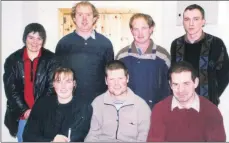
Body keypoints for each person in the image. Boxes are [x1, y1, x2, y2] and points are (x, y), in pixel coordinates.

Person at [3, 23, 59, 142]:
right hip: (22, 116)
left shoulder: (52, 59)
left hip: (45, 116)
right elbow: (11, 90)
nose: (35, 42)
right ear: (25, 38)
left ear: (43, 40)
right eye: (31, 37)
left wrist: (37, 110)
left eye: (39, 38)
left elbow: (52, 88)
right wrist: (25, 110)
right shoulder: (12, 60)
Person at [147, 61, 226, 142]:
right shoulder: (160, 109)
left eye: (186, 84)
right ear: (170, 85)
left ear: (196, 83)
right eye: (175, 84)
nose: (181, 90)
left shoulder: (211, 111)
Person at [55, 1, 114, 104]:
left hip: (99, 103)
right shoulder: (63, 44)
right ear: (74, 18)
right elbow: (57, 75)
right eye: (80, 14)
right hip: (71, 103)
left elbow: (110, 75)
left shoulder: (105, 44)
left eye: (88, 14)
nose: (84, 19)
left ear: (94, 18)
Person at [170, 4, 229, 106]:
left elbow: (225, 74)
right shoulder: (176, 44)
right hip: (181, 104)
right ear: (183, 22)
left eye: (196, 19)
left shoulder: (216, 43)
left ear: (203, 21)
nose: (191, 23)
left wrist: (213, 95)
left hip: (207, 105)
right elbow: (173, 73)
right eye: (187, 19)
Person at [85, 60, 151, 142]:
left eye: (120, 78)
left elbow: (144, 138)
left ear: (127, 78)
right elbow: (92, 135)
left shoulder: (141, 106)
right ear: (106, 81)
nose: (116, 84)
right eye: (112, 79)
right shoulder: (97, 103)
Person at [116, 13, 170, 109]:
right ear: (131, 31)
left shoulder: (163, 55)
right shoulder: (121, 56)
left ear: (151, 29)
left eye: (144, 28)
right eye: (136, 29)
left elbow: (168, 86)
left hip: (155, 110)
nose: (140, 33)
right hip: (128, 110)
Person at [23, 67, 92, 142]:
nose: (63, 86)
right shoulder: (41, 104)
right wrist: (51, 141)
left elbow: (78, 137)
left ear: (74, 84)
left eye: (68, 81)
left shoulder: (84, 107)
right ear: (53, 84)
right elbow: (28, 135)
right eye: (59, 81)